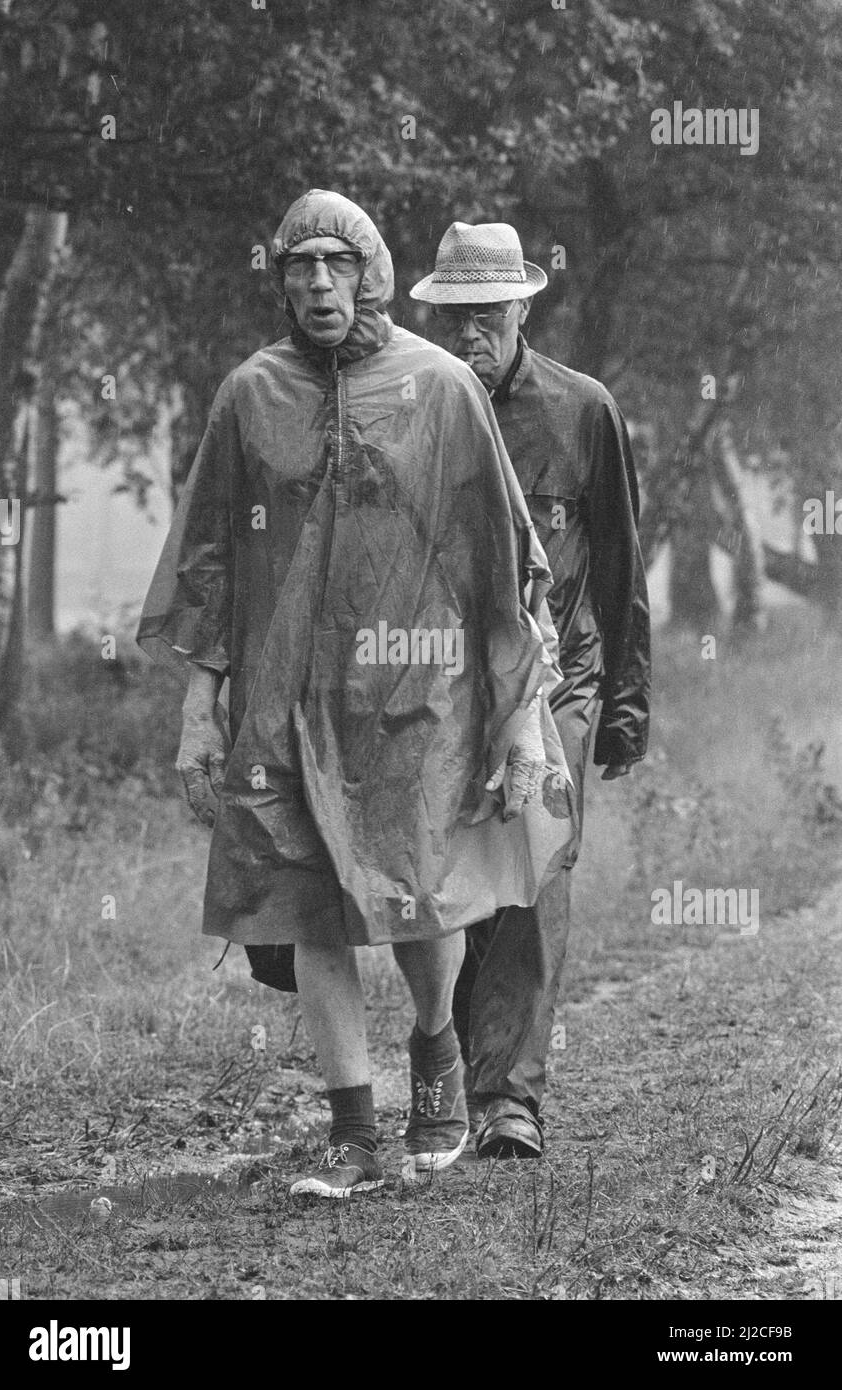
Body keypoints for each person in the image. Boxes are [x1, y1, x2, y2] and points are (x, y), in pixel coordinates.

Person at [137, 192, 575, 1197]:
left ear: (371, 272)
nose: (319, 284)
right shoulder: (250, 394)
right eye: (301, 267)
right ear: (282, 278)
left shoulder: (439, 388)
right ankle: (350, 1136)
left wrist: (517, 724)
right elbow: (209, 564)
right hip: (282, 700)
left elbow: (499, 564)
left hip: (416, 700)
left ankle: (434, 1051)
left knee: (420, 906)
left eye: (338, 265)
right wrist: (195, 712)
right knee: (306, 910)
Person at [410, 221, 651, 1159]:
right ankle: (466, 1065)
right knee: (459, 874)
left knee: (535, 859)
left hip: (565, 677)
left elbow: (622, 561)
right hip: (448, 677)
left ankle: (508, 1097)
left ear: (520, 309)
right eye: (455, 315)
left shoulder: (584, 409)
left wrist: (627, 700)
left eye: (488, 314)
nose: (472, 332)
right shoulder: (419, 409)